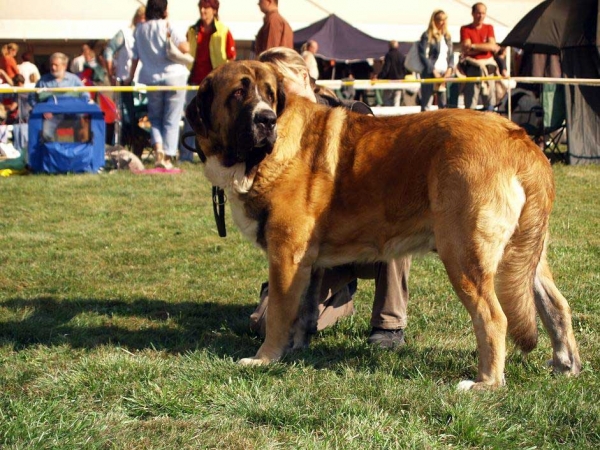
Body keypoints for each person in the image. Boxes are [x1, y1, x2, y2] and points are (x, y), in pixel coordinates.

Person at [250, 46, 411, 348]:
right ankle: (337, 298)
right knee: (264, 325)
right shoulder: (270, 127)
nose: (273, 92)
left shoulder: (354, 113)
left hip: (364, 236)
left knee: (399, 220)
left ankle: (388, 324)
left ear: (303, 75)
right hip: (311, 247)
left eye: (279, 81)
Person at [128, 0, 190, 170]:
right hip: (175, 76)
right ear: (164, 9)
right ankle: (168, 157)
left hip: (151, 78)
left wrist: (130, 78)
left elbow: (135, 57)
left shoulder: (139, 29)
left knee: (155, 118)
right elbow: (185, 48)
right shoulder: (168, 25)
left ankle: (158, 150)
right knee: (172, 118)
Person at [179, 0, 236, 162]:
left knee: (216, 120)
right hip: (193, 81)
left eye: (206, 8)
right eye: (201, 7)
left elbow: (231, 58)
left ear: (214, 10)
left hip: (215, 85)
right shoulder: (192, 30)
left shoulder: (224, 31)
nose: (203, 11)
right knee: (190, 118)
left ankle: (216, 155)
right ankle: (185, 155)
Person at [104, 5, 146, 147]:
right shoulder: (125, 33)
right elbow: (108, 50)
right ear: (138, 18)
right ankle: (128, 145)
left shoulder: (150, 34)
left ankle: (142, 143)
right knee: (127, 119)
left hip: (146, 84)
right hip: (128, 82)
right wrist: (110, 73)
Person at [28, 52, 90, 141]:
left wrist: (77, 108)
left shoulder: (74, 80)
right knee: (45, 133)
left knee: (86, 132)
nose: (53, 67)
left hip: (73, 115)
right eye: (51, 65)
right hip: (52, 117)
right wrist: (42, 109)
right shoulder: (43, 81)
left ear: (64, 66)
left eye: (56, 65)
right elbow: (32, 98)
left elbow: (85, 96)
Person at [459, 2, 500, 110]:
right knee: (471, 101)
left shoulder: (489, 27)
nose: (481, 16)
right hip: (473, 68)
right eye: (478, 13)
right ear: (473, 13)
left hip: (488, 69)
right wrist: (485, 47)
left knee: (490, 101)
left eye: (483, 13)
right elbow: (466, 48)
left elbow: (492, 46)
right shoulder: (465, 29)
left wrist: (474, 46)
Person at [418, 10, 454, 111]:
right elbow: (422, 55)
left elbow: (451, 55)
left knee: (443, 105)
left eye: (444, 19)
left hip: (444, 73)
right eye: (439, 20)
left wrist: (450, 69)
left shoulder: (447, 37)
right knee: (426, 104)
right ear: (434, 20)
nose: (442, 22)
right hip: (430, 73)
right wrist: (433, 71)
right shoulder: (427, 35)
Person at [378, 40, 406, 107]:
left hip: (389, 81)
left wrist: (380, 77)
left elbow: (386, 69)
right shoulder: (402, 56)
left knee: (386, 99)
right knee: (397, 100)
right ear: (398, 46)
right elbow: (404, 69)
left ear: (389, 46)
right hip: (399, 80)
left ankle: (389, 115)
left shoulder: (389, 55)